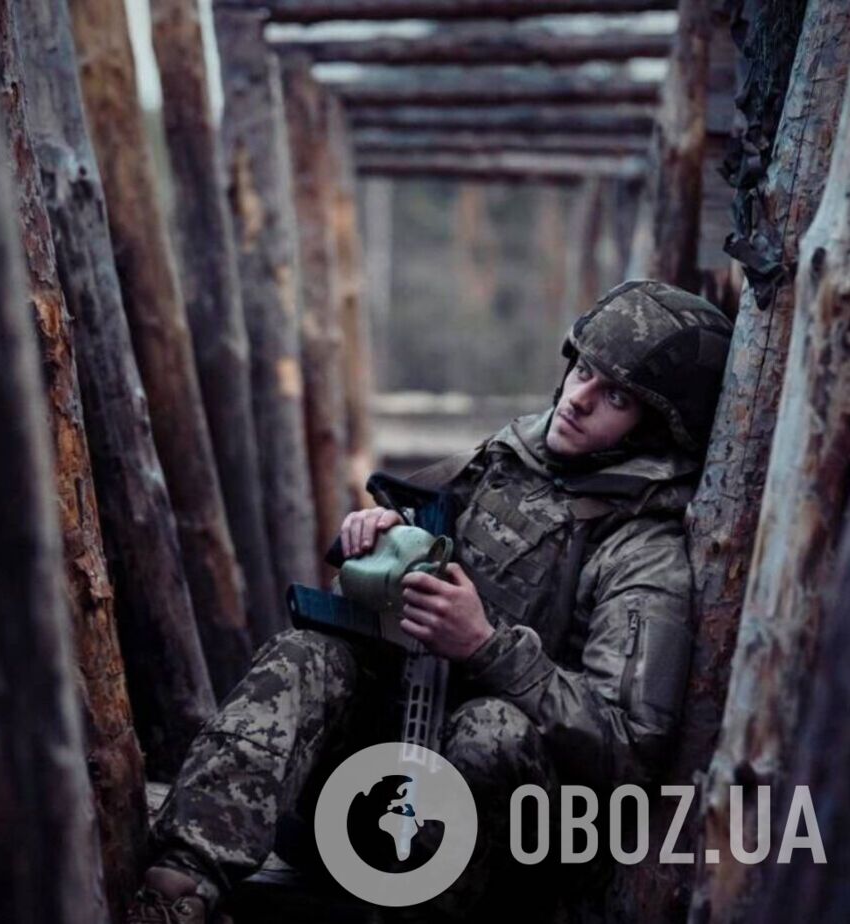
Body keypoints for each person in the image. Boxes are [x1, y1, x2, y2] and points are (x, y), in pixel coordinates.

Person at [127, 281, 735, 922]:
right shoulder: (505, 463)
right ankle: (179, 889)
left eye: (615, 397)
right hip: (372, 800)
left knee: (492, 732)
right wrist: (378, 549)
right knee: (306, 656)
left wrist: (487, 649)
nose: (578, 401)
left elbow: (630, 752)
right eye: (583, 370)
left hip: (503, 859)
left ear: (657, 431)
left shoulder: (644, 552)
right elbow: (379, 611)